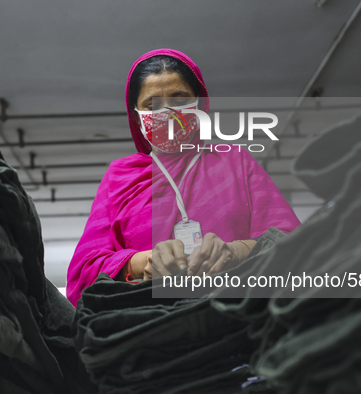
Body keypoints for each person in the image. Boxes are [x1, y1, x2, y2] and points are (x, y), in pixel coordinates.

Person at [66, 49, 300, 305]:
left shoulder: (235, 161)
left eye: (180, 101)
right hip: (145, 328)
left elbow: (295, 244)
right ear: (136, 116)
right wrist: (143, 262)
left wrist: (236, 251)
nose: (168, 113)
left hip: (238, 317)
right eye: (152, 105)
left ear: (200, 105)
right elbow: (82, 274)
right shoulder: (119, 177)